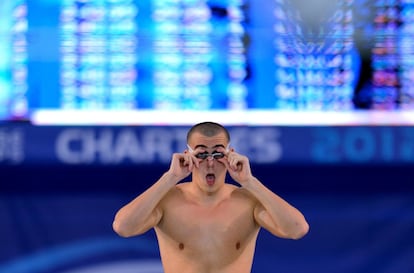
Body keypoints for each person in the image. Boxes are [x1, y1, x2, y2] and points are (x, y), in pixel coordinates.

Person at [113, 121, 309, 273]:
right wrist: (169, 178)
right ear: (186, 156)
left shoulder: (248, 202)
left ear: (231, 155)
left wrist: (250, 182)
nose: (209, 163)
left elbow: (297, 229)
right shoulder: (167, 200)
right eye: (201, 155)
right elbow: (124, 227)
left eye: (217, 154)